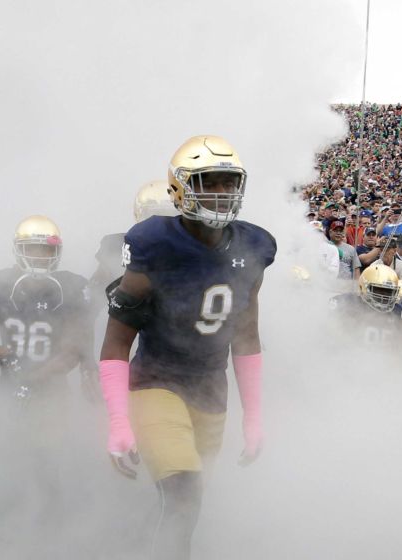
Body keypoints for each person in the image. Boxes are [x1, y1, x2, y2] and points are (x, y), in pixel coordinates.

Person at [98, 135, 275, 559]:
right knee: (182, 497)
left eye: (227, 183)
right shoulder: (154, 243)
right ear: (179, 188)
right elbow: (117, 340)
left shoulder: (255, 245)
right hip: (157, 382)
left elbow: (246, 336)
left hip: (211, 391)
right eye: (208, 182)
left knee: (185, 502)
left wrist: (254, 416)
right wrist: (118, 420)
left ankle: (131, 547)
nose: (220, 193)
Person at [0, 215, 97, 403]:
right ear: (18, 249)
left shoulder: (69, 287)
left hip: (54, 397)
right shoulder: (1, 285)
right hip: (10, 393)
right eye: (31, 248)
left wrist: (33, 379)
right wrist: (5, 353)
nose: (38, 256)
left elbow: (73, 349)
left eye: (45, 249)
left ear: (56, 251)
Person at [89, 180, 177, 312]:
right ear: (140, 214)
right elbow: (93, 296)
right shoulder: (117, 244)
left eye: (168, 215)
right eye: (154, 215)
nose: (160, 223)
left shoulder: (190, 246)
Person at [330, 263, 401, 347]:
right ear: (362, 287)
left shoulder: (397, 312)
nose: (384, 296)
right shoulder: (347, 303)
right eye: (379, 290)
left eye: (389, 292)